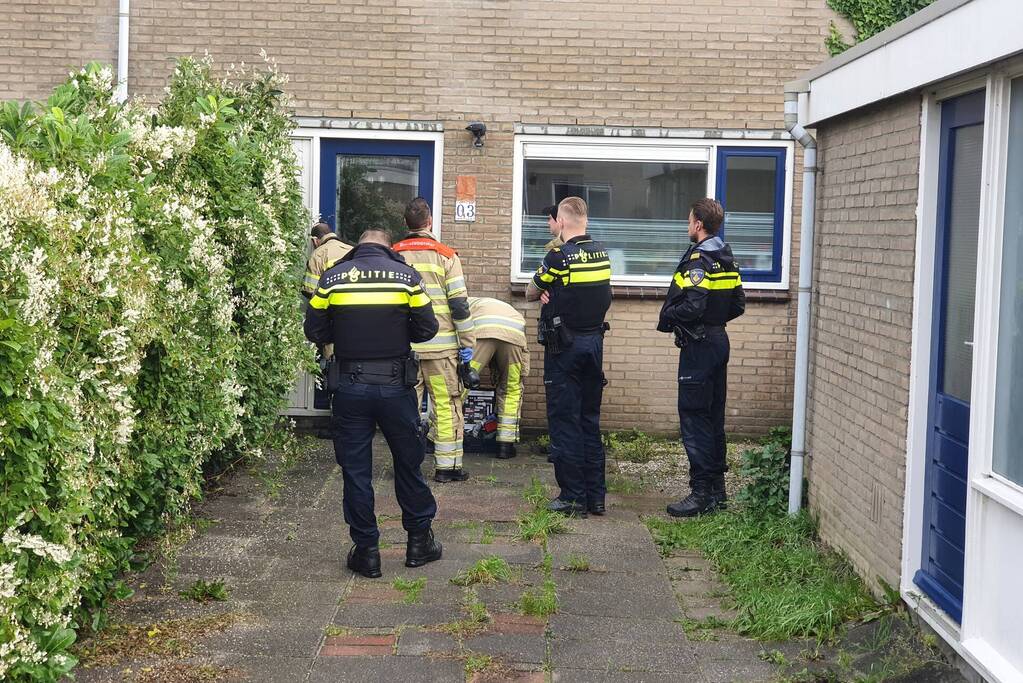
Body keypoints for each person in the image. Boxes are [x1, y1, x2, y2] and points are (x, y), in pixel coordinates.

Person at [304, 229, 443, 578]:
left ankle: (367, 552)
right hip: (397, 387)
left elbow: (314, 330)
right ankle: (417, 544)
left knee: (356, 471)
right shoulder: (407, 276)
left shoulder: (333, 277)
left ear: (359, 246)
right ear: (386, 246)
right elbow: (428, 329)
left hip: (349, 387)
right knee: (408, 464)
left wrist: (346, 331)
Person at [657, 198, 745, 517]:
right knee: (713, 416)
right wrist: (714, 320)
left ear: (698, 224)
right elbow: (737, 304)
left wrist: (669, 316)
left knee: (694, 417)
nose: (687, 225)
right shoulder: (726, 256)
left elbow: (692, 305)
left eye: (689, 220)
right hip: (719, 340)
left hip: (700, 344)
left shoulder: (700, 258)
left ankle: (700, 493)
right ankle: (718, 491)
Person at [526, 196, 612, 517]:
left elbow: (532, 290)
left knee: (564, 421)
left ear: (561, 223)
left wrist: (549, 292)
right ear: (585, 220)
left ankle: (572, 497)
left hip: (565, 349)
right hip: (594, 345)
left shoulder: (559, 256)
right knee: (589, 420)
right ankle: (596, 496)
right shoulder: (602, 254)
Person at [393, 198, 476, 483]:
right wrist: (468, 344)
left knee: (406, 410)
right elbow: (460, 306)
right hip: (441, 352)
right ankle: (448, 468)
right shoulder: (447, 255)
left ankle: (408, 467)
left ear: (406, 224)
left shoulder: (392, 255)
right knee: (445, 405)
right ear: (429, 222)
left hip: (405, 352)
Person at [467, 297, 530, 459]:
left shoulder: (462, 303)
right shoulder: (503, 307)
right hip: (515, 336)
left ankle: (435, 438)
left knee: (461, 382)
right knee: (512, 389)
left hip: (483, 331)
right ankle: (505, 446)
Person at [302, 222, 353, 299]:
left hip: (332, 304)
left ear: (315, 240)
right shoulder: (352, 249)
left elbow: (309, 290)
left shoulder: (318, 254)